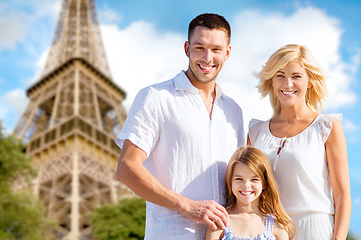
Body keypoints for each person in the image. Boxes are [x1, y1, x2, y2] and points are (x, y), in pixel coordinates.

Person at [115, 13, 245, 239]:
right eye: (199, 48)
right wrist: (187, 205)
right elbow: (127, 168)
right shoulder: (156, 97)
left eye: (216, 49)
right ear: (187, 49)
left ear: (227, 53)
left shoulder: (234, 111)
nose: (207, 57)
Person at [247, 44, 351, 239]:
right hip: (268, 230)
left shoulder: (327, 127)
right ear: (271, 80)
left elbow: (342, 195)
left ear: (309, 81)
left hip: (315, 229)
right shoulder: (255, 132)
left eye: (296, 76)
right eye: (280, 75)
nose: (287, 84)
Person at [206, 146, 295, 240]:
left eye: (254, 179)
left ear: (264, 183)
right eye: (239, 179)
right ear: (230, 181)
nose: (246, 185)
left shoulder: (277, 226)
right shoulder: (219, 222)